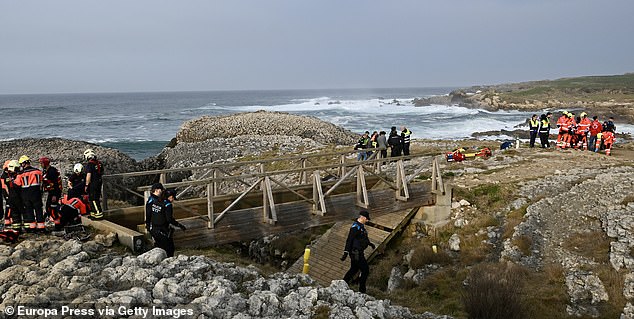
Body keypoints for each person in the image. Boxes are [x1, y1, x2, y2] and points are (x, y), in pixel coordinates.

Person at [340, 210, 375, 294]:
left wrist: (370, 244)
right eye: (366, 219)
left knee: (354, 269)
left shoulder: (361, 226)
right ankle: (362, 290)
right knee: (365, 270)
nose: (367, 220)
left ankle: (342, 284)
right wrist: (346, 252)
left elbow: (362, 238)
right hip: (356, 253)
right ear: (362, 217)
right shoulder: (355, 227)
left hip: (358, 252)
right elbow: (349, 240)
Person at [15, 156, 45, 232]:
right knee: (39, 211)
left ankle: (32, 228)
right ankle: (41, 228)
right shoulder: (38, 171)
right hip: (36, 194)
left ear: (24, 163)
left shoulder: (20, 174)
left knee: (29, 211)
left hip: (26, 195)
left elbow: (17, 184)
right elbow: (42, 181)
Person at [40, 157, 63, 225]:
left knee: (52, 209)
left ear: (45, 163)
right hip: (51, 192)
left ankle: (58, 225)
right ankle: (56, 220)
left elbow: (55, 184)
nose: (41, 165)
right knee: (48, 208)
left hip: (54, 193)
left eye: (41, 163)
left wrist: (54, 195)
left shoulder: (52, 171)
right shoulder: (46, 171)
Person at [84, 149, 104, 220]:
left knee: (93, 199)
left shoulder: (90, 164)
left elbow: (88, 176)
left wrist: (86, 185)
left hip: (93, 184)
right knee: (93, 198)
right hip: (99, 183)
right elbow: (101, 172)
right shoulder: (99, 163)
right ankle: (93, 214)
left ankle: (98, 214)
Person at [5, 160, 25, 231]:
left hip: (12, 197)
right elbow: (19, 185)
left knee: (15, 214)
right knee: (23, 213)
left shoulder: (9, 176)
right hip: (18, 197)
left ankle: (17, 229)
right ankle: (23, 228)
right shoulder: (18, 176)